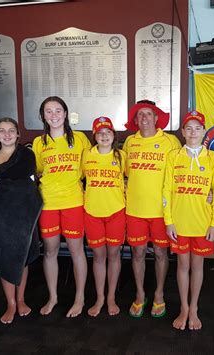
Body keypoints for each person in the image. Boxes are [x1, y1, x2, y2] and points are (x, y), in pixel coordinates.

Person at [32, 96, 91, 317]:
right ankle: (53, 297)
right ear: (43, 116)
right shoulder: (39, 143)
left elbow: (88, 169)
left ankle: (80, 298)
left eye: (58, 110)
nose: (54, 115)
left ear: (65, 114)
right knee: (50, 251)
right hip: (47, 203)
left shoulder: (80, 139)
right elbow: (38, 171)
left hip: (74, 202)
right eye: (49, 111)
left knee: (77, 251)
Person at [163, 111, 214, 330]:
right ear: (182, 132)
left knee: (197, 266)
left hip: (202, 224)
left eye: (198, 128)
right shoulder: (173, 156)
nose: (193, 132)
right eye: (189, 128)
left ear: (204, 132)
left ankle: (194, 307)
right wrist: (168, 221)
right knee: (182, 265)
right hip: (179, 224)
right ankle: (184, 308)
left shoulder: (212, 158)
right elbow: (166, 190)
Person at [123, 99, 181, 318]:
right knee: (137, 252)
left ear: (157, 118)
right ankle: (140, 294)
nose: (144, 118)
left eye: (149, 114)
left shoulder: (171, 141)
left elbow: (180, 172)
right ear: (135, 120)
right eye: (140, 115)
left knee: (160, 252)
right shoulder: (130, 142)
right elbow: (126, 174)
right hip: (135, 210)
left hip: (161, 211)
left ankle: (159, 294)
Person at [0, 117, 42, 324]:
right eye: (2, 130)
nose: (7, 134)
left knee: (22, 254)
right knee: (4, 255)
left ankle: (21, 298)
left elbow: (21, 173)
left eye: (11, 130)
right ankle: (11, 303)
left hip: (24, 210)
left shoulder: (27, 154)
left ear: (18, 134)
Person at [82, 116, 126, 317]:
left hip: (116, 212)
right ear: (94, 136)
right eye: (100, 132)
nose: (104, 135)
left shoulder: (122, 156)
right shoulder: (86, 155)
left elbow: (134, 179)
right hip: (92, 212)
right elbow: (76, 178)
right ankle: (100, 297)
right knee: (99, 257)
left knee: (114, 255)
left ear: (114, 135)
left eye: (108, 132)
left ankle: (111, 298)